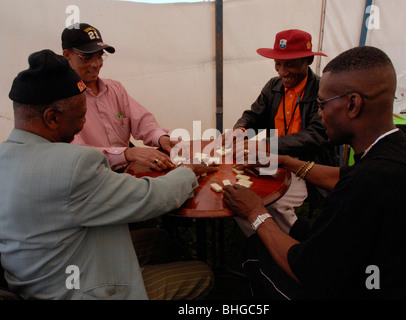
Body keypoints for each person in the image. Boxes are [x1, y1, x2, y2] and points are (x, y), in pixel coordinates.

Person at [223, 46, 406, 299]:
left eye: (321, 105)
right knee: (294, 230)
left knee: (258, 247)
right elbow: (344, 176)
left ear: (352, 104)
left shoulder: (369, 185)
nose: (319, 113)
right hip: (399, 265)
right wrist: (284, 160)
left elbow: (307, 271)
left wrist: (256, 212)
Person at [0, 49, 216, 300]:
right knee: (202, 274)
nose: (83, 124)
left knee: (159, 239)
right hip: (76, 290)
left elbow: (143, 121)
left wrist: (160, 138)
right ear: (51, 118)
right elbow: (151, 197)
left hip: (33, 279)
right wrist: (188, 171)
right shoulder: (74, 165)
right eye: (80, 117)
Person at [221, 29, 338, 236]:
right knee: (240, 194)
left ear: (308, 60)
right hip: (273, 161)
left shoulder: (322, 89)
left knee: (274, 203)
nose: (282, 71)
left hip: (306, 168)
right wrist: (239, 131)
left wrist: (268, 146)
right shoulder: (273, 86)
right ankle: (261, 241)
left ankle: (291, 243)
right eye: (278, 63)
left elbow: (317, 136)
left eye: (290, 63)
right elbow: (253, 115)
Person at [61, 23, 175, 172]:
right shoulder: (62, 101)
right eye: (87, 58)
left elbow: (142, 121)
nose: (96, 65)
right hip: (94, 176)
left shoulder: (115, 89)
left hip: (128, 169)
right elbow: (79, 154)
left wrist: (161, 138)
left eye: (100, 57)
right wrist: (127, 153)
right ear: (67, 56)